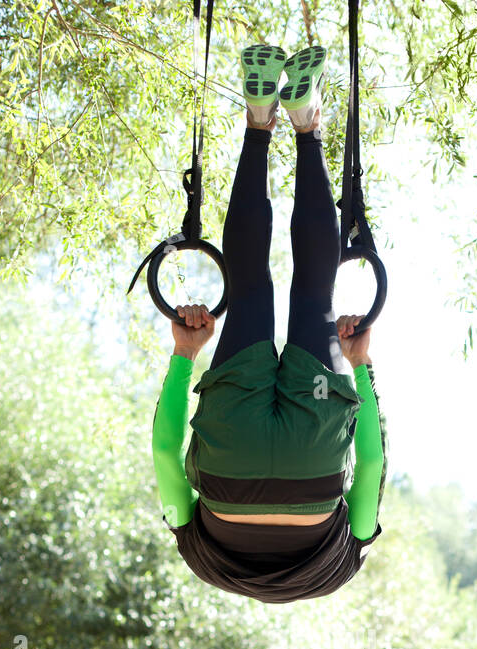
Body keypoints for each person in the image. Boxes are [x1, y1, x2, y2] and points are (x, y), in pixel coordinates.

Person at [151, 42, 388, 604]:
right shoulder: (203, 561)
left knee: (314, 292)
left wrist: (362, 367)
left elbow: (373, 461)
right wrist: (185, 354)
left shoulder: (339, 567)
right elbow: (165, 454)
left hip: (315, 450)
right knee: (250, 284)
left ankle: (305, 123)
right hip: (233, 450)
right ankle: (260, 123)